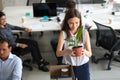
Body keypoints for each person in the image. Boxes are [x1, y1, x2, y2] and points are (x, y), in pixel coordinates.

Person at [56, 9, 92, 80]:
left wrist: (84, 52)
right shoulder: (63, 33)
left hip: (83, 65)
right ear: (67, 22)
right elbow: (58, 53)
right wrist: (67, 51)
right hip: (67, 64)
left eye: (77, 23)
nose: (74, 26)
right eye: (71, 23)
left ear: (80, 21)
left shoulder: (84, 32)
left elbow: (90, 54)